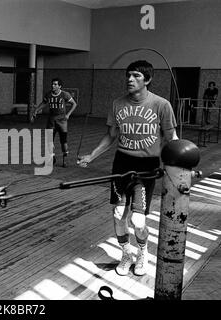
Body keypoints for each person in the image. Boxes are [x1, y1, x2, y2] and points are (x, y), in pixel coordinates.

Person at [77, 60, 178, 277]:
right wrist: (91, 156)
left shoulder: (161, 105)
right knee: (118, 214)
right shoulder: (117, 104)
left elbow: (172, 138)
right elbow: (111, 136)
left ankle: (143, 252)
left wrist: (179, 162)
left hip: (146, 167)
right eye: (128, 75)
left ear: (147, 80)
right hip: (122, 164)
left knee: (138, 220)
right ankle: (126, 254)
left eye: (136, 76)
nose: (130, 79)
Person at [31, 78, 77, 167]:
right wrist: (36, 110)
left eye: (55, 84)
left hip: (62, 122)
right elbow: (44, 103)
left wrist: (68, 114)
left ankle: (65, 159)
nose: (53, 85)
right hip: (51, 121)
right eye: (52, 84)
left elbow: (74, 104)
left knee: (63, 142)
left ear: (60, 86)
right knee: (49, 141)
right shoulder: (48, 94)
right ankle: (52, 158)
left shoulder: (64, 94)